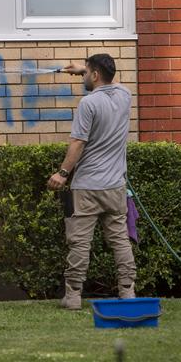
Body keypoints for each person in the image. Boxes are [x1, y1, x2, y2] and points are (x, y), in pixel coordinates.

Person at [47, 53, 136, 310]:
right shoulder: (125, 96)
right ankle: (127, 292)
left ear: (95, 75)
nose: (83, 75)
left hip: (86, 186)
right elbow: (112, 83)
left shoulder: (88, 104)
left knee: (79, 242)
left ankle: (73, 296)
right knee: (119, 239)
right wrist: (81, 70)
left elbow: (78, 143)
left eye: (87, 72)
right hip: (115, 187)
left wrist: (62, 173)